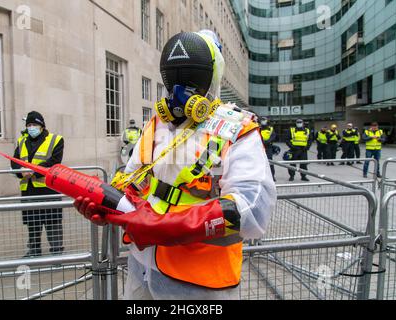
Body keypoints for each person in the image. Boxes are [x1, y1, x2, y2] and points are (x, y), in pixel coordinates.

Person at [74, 30, 276, 300]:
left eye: (192, 78)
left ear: (211, 78)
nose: (180, 90)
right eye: (174, 79)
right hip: (141, 265)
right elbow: (133, 177)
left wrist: (166, 226)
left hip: (200, 282)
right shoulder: (157, 124)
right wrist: (109, 205)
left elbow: (252, 211)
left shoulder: (238, 129)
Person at [11, 111, 65, 258]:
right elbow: (14, 161)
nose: (31, 127)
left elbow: (54, 162)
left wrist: (33, 172)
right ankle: (34, 250)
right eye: (28, 125)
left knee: (52, 220)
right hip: (28, 189)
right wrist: (20, 172)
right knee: (32, 221)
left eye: (34, 124)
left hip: (48, 188)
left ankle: (57, 250)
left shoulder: (55, 139)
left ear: (41, 126)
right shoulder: (22, 141)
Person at [260, 117, 277, 181]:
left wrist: (267, 142)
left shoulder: (271, 129)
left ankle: (272, 176)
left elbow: (273, 136)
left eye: (264, 120)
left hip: (268, 147)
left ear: (267, 121)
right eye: (262, 120)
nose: (263, 121)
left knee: (270, 162)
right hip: (259, 147)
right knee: (259, 162)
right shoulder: (258, 128)